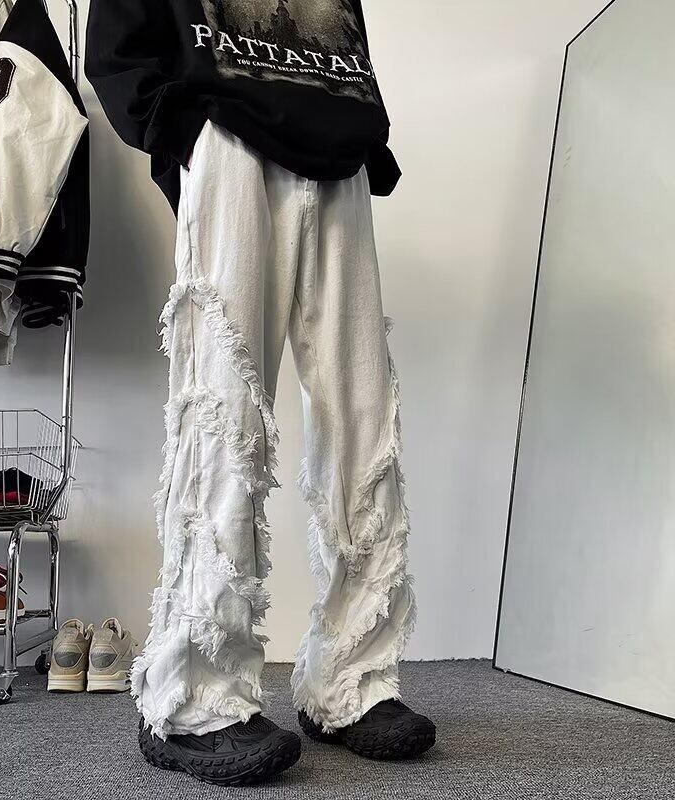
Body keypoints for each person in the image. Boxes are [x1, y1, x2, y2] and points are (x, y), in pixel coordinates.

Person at [85, 0, 436, 786]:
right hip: (230, 138)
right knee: (225, 408)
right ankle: (195, 696)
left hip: (337, 152)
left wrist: (359, 129)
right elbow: (119, 37)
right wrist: (185, 131)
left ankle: (351, 678)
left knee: (362, 412)